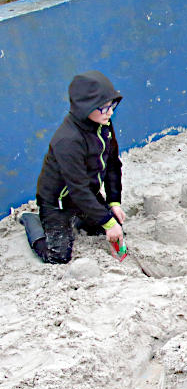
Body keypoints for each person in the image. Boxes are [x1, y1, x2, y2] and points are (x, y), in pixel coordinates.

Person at [19, 70, 125, 264]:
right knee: (59, 256)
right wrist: (107, 221)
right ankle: (31, 220)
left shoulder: (104, 125)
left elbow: (112, 165)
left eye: (112, 105)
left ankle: (79, 219)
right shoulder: (68, 140)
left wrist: (114, 202)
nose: (110, 112)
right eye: (103, 107)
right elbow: (77, 188)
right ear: (85, 107)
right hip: (57, 202)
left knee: (112, 227)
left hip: (86, 194)